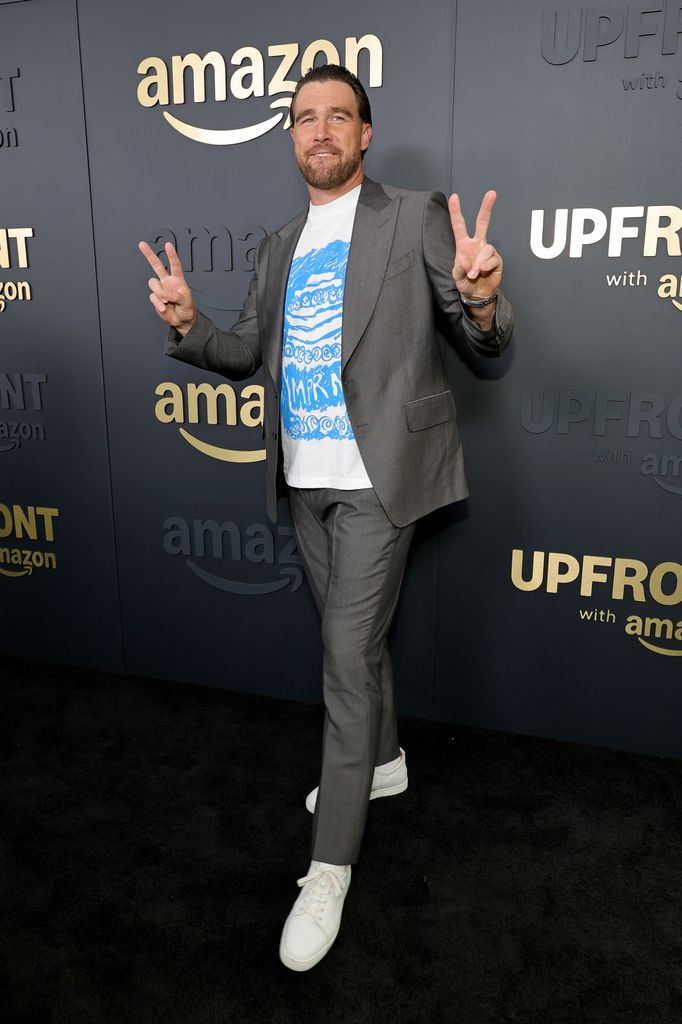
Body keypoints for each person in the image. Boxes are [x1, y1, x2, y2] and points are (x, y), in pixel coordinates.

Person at [140, 63, 512, 973]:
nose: (320, 131)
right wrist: (189, 324)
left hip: (380, 480)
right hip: (305, 480)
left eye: (337, 116)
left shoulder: (415, 216)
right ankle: (384, 766)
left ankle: (329, 870)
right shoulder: (279, 246)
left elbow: (484, 342)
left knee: (345, 660)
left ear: (364, 133)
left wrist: (480, 297)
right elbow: (245, 353)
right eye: (305, 117)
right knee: (359, 644)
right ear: (292, 136)